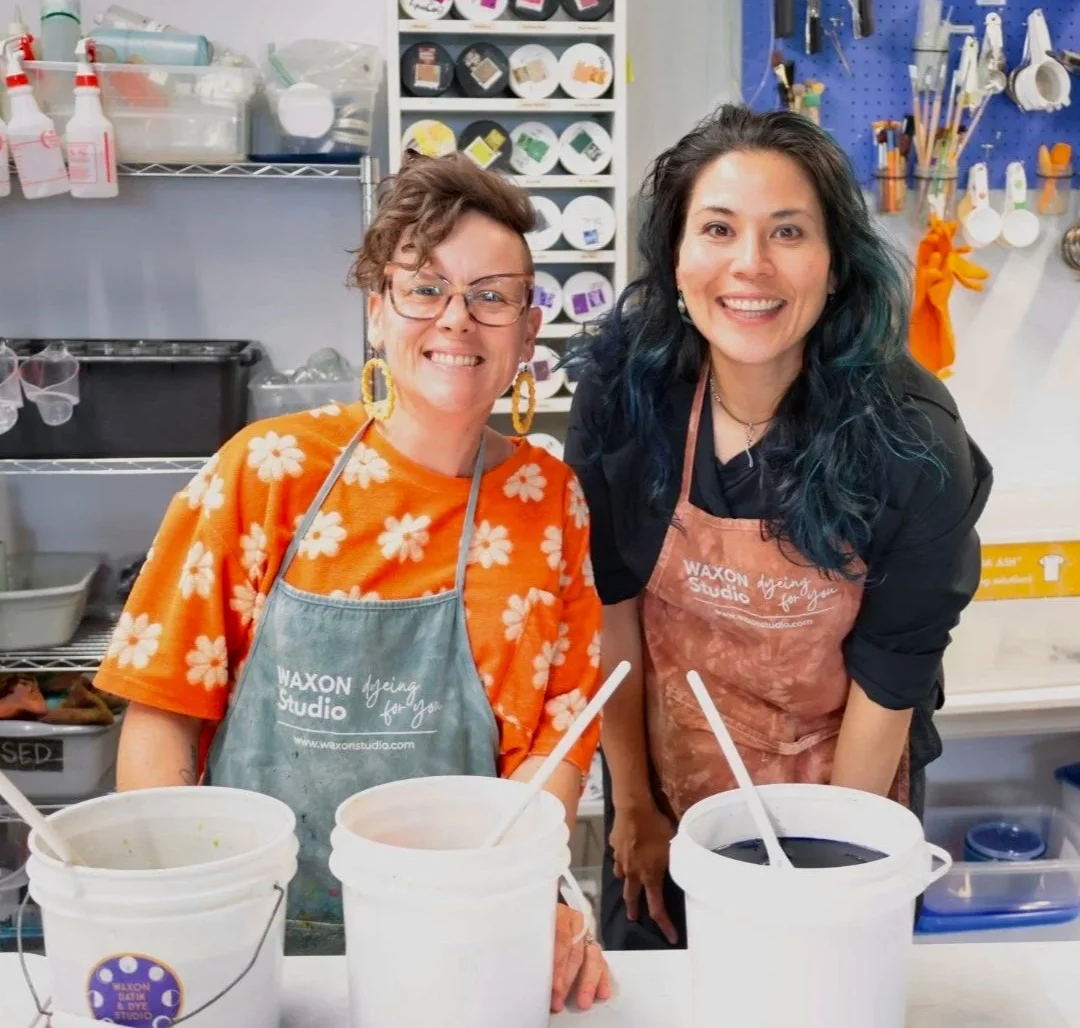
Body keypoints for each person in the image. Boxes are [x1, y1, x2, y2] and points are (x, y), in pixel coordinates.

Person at [95, 152, 611, 1011]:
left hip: (449, 941)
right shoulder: (269, 471)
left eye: (492, 294)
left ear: (527, 333)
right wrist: (184, 910)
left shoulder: (548, 503)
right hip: (246, 939)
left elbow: (549, 754)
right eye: (424, 287)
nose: (458, 319)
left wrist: (526, 904)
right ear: (378, 312)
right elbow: (162, 715)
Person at [564, 105, 992, 951]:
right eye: (717, 228)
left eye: (788, 232)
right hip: (666, 789)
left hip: (848, 789)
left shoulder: (910, 438)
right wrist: (638, 807)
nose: (750, 266)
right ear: (677, 258)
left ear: (834, 266)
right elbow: (610, 612)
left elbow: (890, 679)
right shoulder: (624, 397)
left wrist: (834, 877)